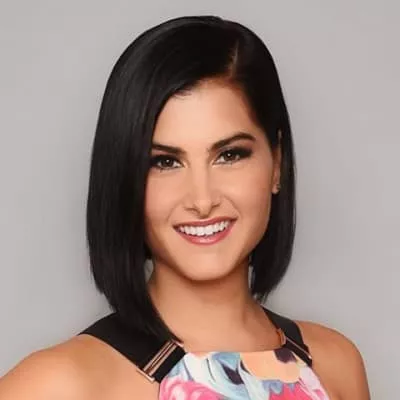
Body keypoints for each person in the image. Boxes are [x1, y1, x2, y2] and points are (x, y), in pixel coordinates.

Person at [0, 15, 370, 400]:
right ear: (125, 178)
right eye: (165, 162)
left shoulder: (336, 365)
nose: (202, 200)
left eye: (229, 155)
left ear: (276, 162)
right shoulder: (60, 385)